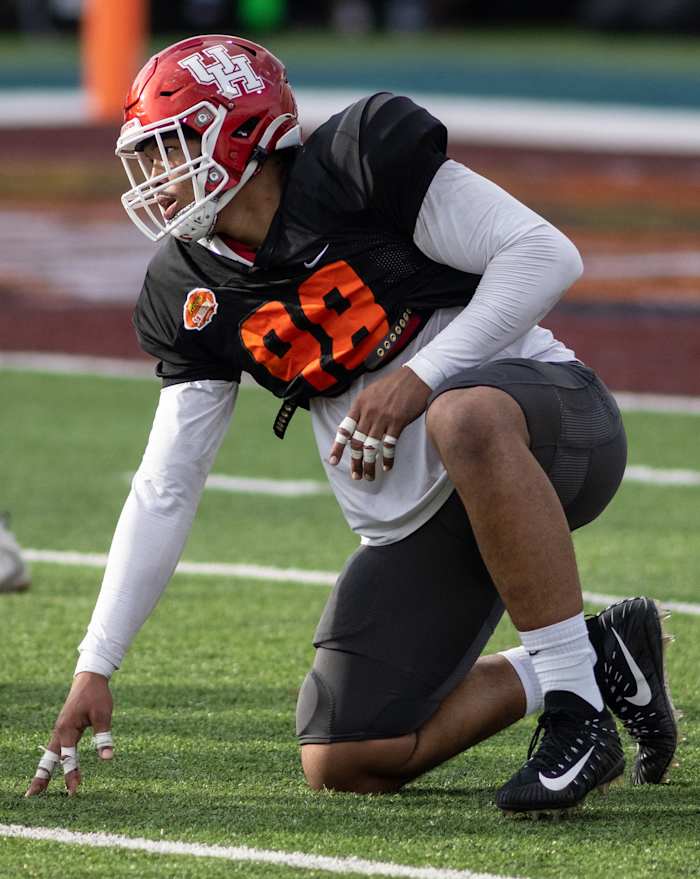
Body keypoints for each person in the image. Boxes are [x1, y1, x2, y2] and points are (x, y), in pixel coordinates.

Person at [26, 34, 678, 814]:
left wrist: (420, 377)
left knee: (461, 413)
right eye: (152, 153)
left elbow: (545, 254)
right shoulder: (189, 286)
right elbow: (167, 484)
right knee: (345, 752)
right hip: (423, 521)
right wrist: (96, 663)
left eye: (174, 146)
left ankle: (576, 711)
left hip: (550, 435)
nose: (159, 177)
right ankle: (599, 654)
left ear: (242, 133)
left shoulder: (359, 161)